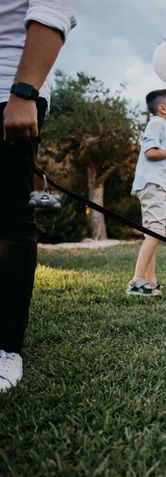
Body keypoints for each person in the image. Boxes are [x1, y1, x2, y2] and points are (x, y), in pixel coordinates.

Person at [0, 0, 77, 392]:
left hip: (8, 86)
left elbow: (52, 7)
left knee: (10, 219)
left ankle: (6, 347)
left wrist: (24, 91)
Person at [126, 90, 166, 296]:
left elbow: (159, 156)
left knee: (152, 233)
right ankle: (137, 280)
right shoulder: (157, 123)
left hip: (153, 185)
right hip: (152, 185)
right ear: (162, 108)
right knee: (155, 232)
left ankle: (150, 281)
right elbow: (150, 153)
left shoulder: (162, 126)